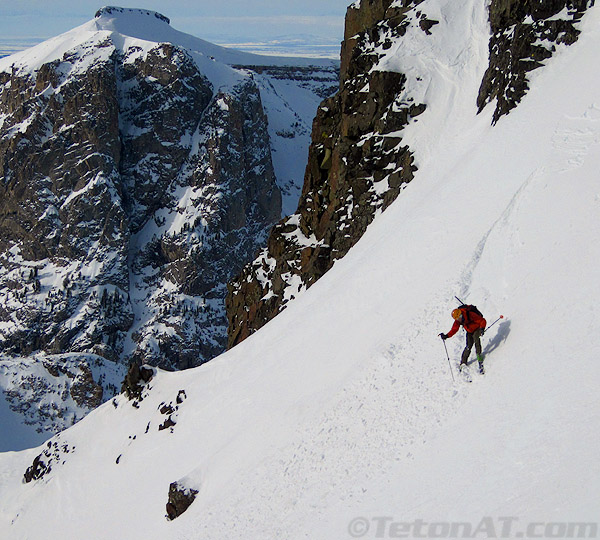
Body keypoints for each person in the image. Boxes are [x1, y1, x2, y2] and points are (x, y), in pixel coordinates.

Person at [440, 306, 487, 372]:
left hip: (477, 328)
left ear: (461, 314)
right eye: (457, 318)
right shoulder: (458, 321)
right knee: (468, 346)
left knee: (476, 340)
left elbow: (482, 320)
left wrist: (482, 328)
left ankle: (479, 356)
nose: (459, 319)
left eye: (460, 317)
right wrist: (447, 336)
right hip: (469, 331)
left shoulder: (470, 314)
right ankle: (463, 362)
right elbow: (454, 329)